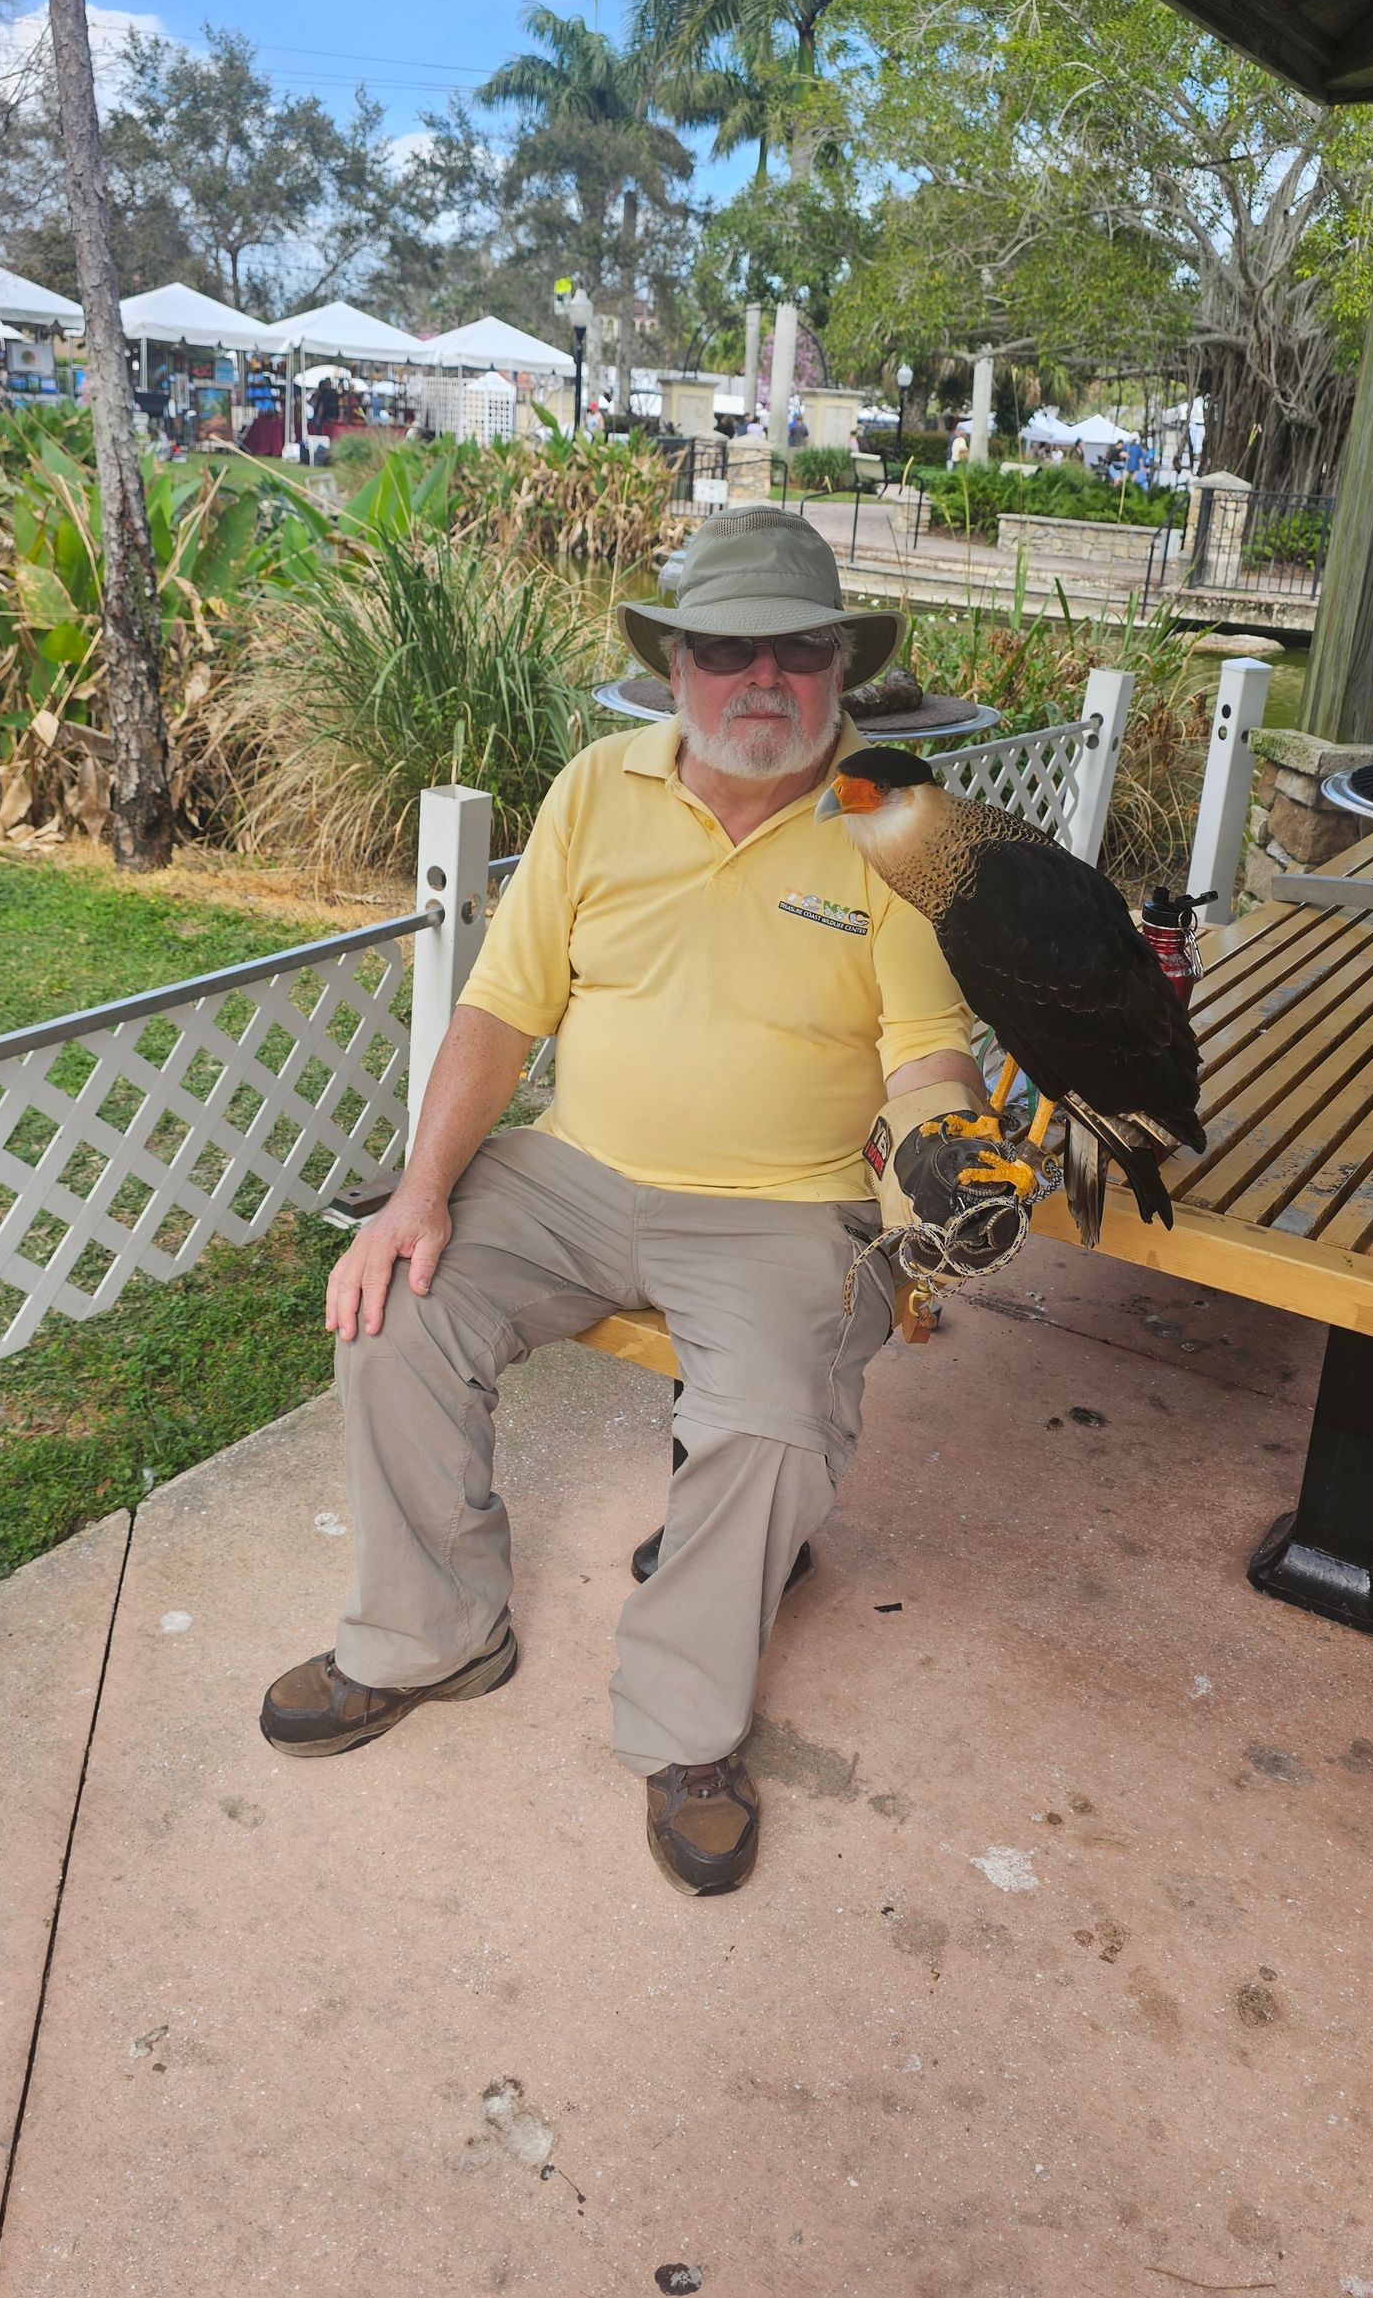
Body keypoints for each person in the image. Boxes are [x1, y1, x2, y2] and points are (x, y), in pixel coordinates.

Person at [259, 509, 993, 1896]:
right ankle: (431, 1636)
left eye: (799, 651)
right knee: (393, 1310)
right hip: (576, 1172)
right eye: (728, 651)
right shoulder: (596, 787)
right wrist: (420, 1193)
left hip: (786, 1205)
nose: (763, 680)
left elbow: (923, 1048)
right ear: (673, 666)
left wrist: (949, 1149)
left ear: (842, 667)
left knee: (770, 1421)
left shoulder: (895, 822)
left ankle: (685, 1731)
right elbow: (503, 1006)